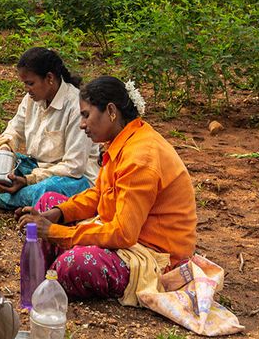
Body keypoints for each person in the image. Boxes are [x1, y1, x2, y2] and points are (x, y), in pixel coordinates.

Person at [15, 76, 197, 301]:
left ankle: (51, 272)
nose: (82, 124)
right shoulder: (123, 140)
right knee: (48, 203)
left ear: (111, 111)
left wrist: (55, 232)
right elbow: (99, 194)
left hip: (152, 255)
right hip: (123, 235)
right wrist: (59, 214)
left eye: (86, 115)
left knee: (73, 265)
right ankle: (45, 276)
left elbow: (123, 233)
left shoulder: (140, 158)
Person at [0, 47, 97, 210]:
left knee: (47, 190)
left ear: (49, 78)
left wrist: (28, 180)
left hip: (71, 178)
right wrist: (5, 149)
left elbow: (74, 166)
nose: (27, 89)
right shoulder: (32, 98)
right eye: (25, 83)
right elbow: (15, 130)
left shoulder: (75, 106)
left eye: (30, 83)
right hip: (37, 167)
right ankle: (16, 199)